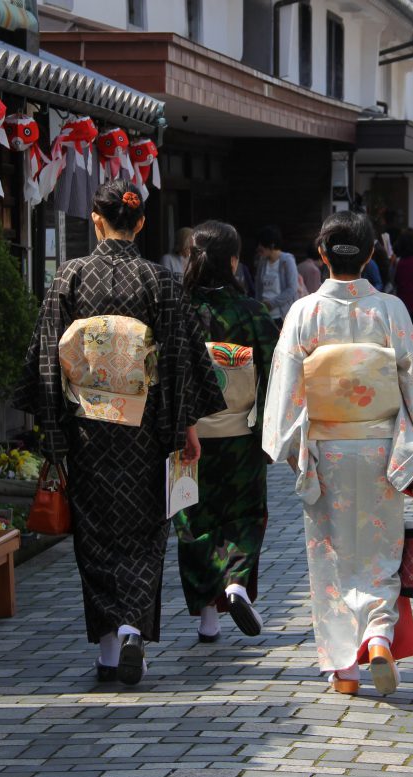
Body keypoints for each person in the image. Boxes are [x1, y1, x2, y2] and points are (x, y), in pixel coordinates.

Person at [14, 179, 225, 685]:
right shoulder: (160, 281)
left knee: (94, 535)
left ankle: (109, 651)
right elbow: (178, 358)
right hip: (146, 428)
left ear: (95, 218)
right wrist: (185, 427)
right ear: (142, 223)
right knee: (145, 530)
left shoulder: (71, 275)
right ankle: (134, 627)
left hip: (87, 427)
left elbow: (47, 354)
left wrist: (52, 428)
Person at [262, 210, 413, 696]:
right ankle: (379, 634)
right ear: (371, 255)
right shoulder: (389, 310)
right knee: (381, 548)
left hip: (326, 447)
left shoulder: (305, 312)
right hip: (382, 449)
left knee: (332, 555)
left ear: (321, 255)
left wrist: (286, 444)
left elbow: (287, 382)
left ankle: (344, 669)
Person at [176, 221, 280, 643]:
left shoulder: (177, 309)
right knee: (244, 515)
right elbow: (276, 370)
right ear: (234, 261)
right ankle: (236, 584)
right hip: (241, 434)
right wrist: (272, 432)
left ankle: (207, 618)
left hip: (187, 434)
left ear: (191, 258)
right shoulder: (251, 312)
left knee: (193, 519)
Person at [254, 225, 299, 329]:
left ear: (271, 245)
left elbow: (292, 289)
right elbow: (258, 289)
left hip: (281, 316)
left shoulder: (287, 260)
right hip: (264, 314)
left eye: (262, 245)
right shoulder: (262, 262)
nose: (258, 248)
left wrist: (271, 304)